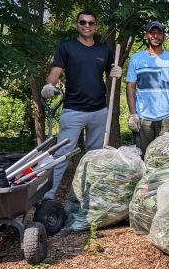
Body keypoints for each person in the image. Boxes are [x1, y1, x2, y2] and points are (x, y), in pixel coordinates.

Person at [40, 10, 120, 200]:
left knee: (95, 157)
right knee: (62, 156)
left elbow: (111, 72)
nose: (87, 25)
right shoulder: (67, 47)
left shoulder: (103, 50)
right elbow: (55, 71)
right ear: (77, 24)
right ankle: (47, 198)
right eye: (83, 22)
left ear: (96, 27)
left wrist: (116, 72)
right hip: (73, 111)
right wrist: (49, 85)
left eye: (91, 23)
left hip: (99, 112)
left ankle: (89, 197)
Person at [125, 21, 169, 156]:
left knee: (167, 157)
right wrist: (133, 115)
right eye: (152, 33)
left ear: (164, 37)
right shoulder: (136, 59)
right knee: (144, 155)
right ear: (147, 36)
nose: (155, 36)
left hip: (167, 117)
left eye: (159, 33)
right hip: (143, 117)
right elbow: (130, 87)